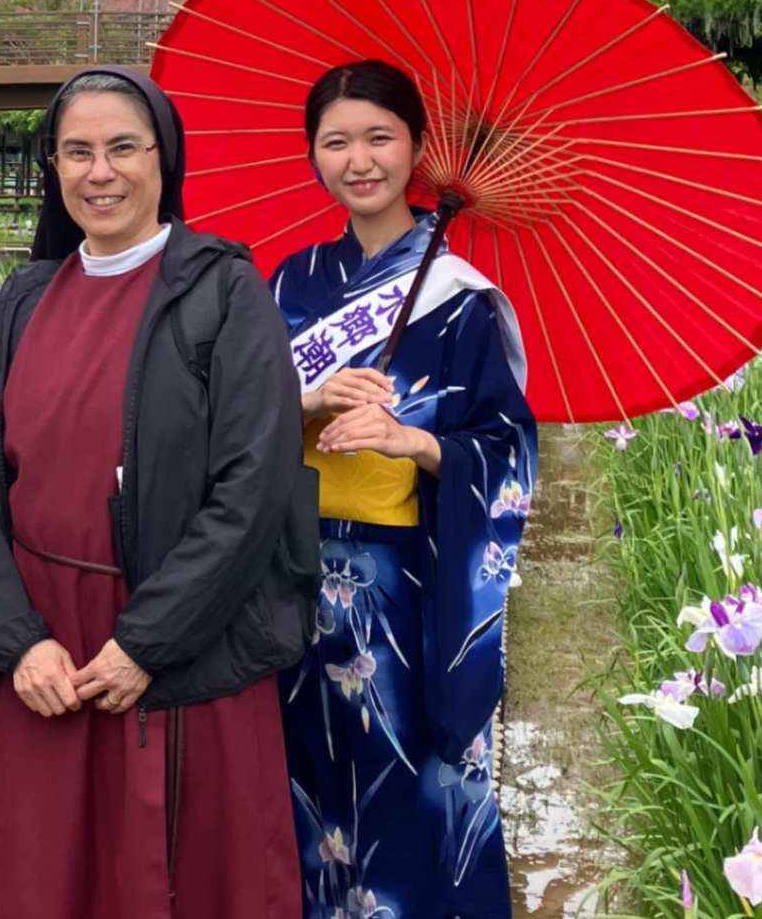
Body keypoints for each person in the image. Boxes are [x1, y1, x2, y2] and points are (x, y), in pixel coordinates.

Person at [0, 66, 312, 919]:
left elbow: (251, 488)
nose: (98, 172)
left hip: (181, 637)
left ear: (162, 160)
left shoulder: (223, 290)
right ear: (54, 168)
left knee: (191, 878)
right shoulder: (23, 302)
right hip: (47, 656)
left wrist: (147, 642)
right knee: (51, 876)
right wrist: (14, 640)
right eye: (75, 152)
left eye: (120, 149)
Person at [271, 60, 537, 919]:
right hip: (295, 583)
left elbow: (505, 443)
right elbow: (225, 423)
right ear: (312, 153)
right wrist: (303, 401)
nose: (359, 159)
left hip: (409, 593)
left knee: (410, 792)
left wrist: (413, 440)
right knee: (303, 789)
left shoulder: (461, 301)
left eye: (379, 137)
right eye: (335, 140)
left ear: (416, 149)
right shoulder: (286, 283)